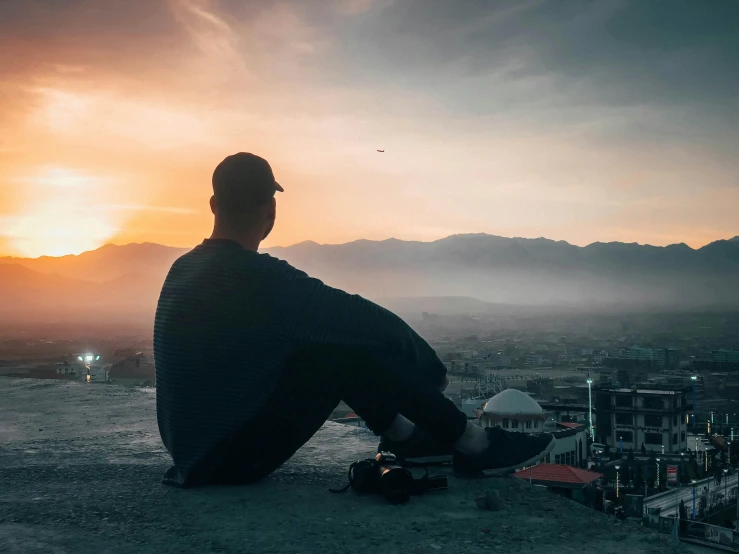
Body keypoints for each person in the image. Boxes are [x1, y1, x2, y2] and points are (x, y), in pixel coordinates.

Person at [154, 152, 555, 488]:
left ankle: (408, 438)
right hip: (227, 462)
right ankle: (475, 444)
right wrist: (429, 368)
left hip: (193, 453)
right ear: (271, 208)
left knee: (328, 345)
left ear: (213, 205)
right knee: (341, 350)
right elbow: (367, 322)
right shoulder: (264, 280)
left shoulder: (182, 270)